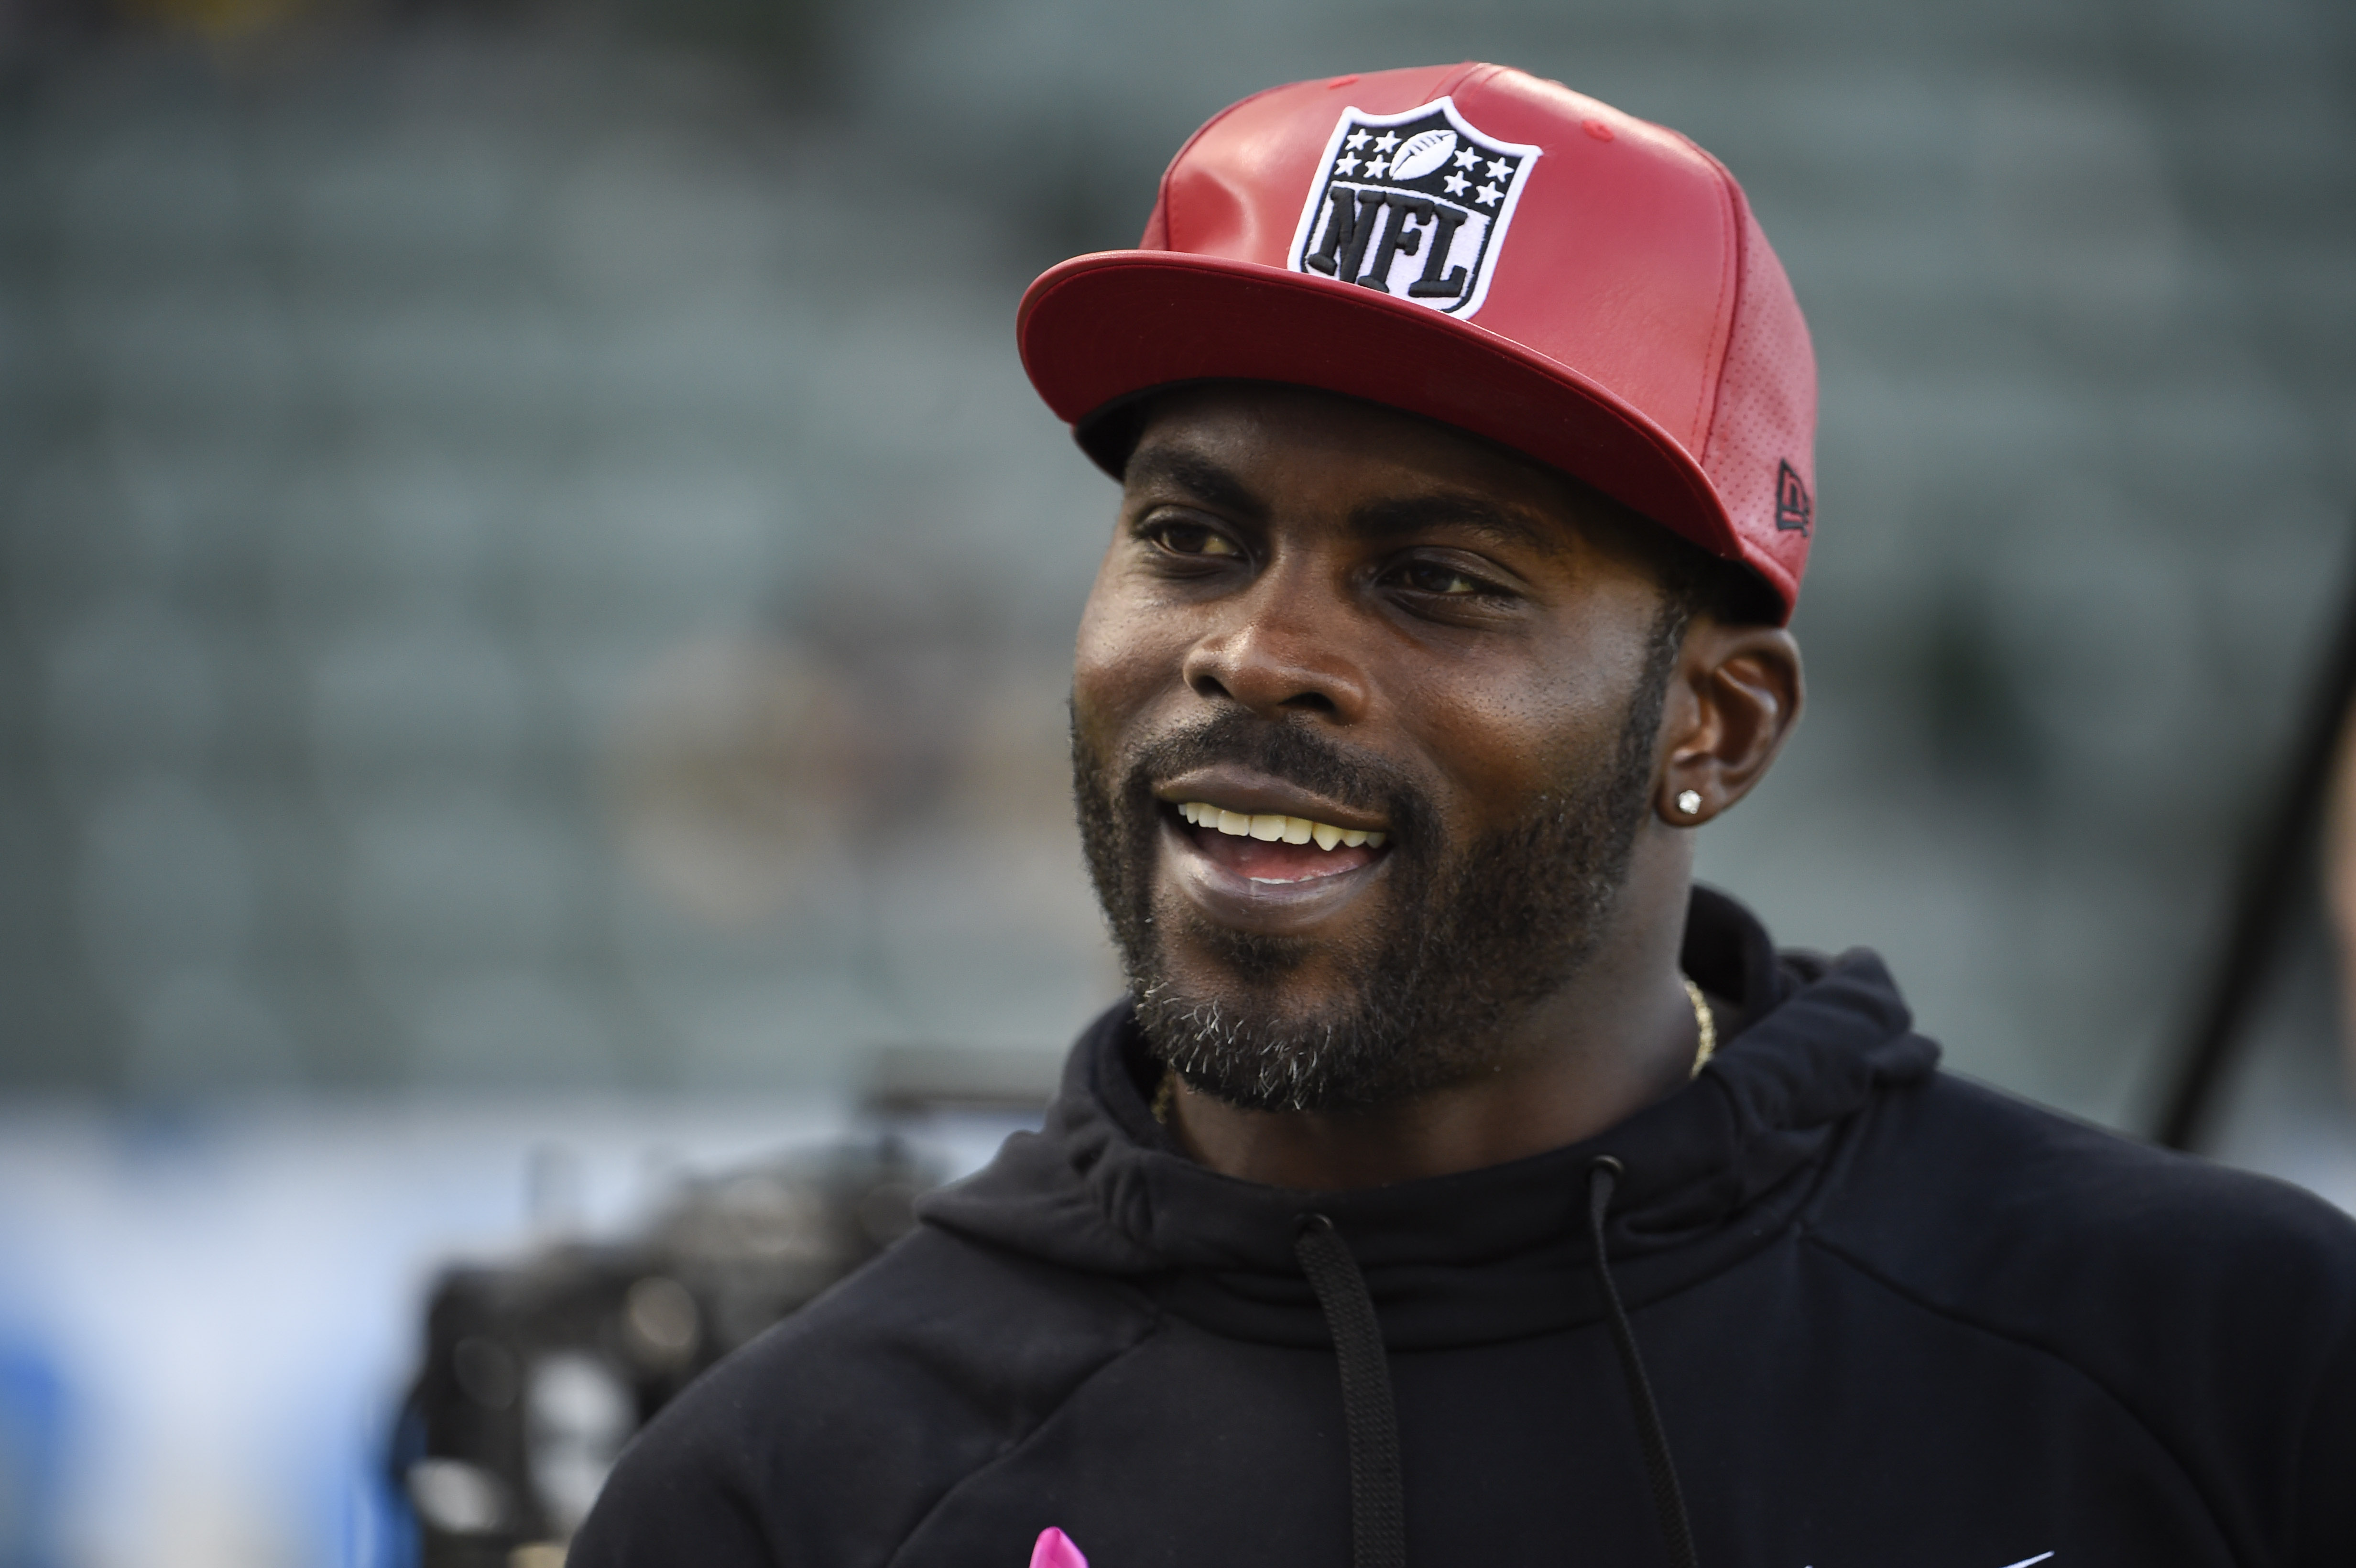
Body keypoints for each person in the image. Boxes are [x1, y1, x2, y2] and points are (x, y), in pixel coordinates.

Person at [572, 63, 2356, 1568]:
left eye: (1435, 576)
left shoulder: (2227, 1365)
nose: (1258, 654)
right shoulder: (789, 1496)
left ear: (1717, 731)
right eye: (1191, 539)